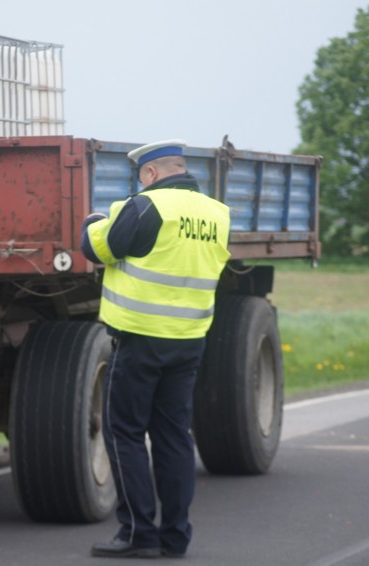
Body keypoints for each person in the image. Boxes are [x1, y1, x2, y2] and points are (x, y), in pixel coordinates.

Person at [81, 139, 231, 558]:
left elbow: (96, 247)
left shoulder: (146, 206)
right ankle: (176, 535)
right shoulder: (217, 214)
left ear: (149, 173)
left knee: (124, 433)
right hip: (188, 341)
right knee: (173, 436)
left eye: (140, 177)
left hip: (140, 338)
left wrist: (93, 222)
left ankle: (137, 533)